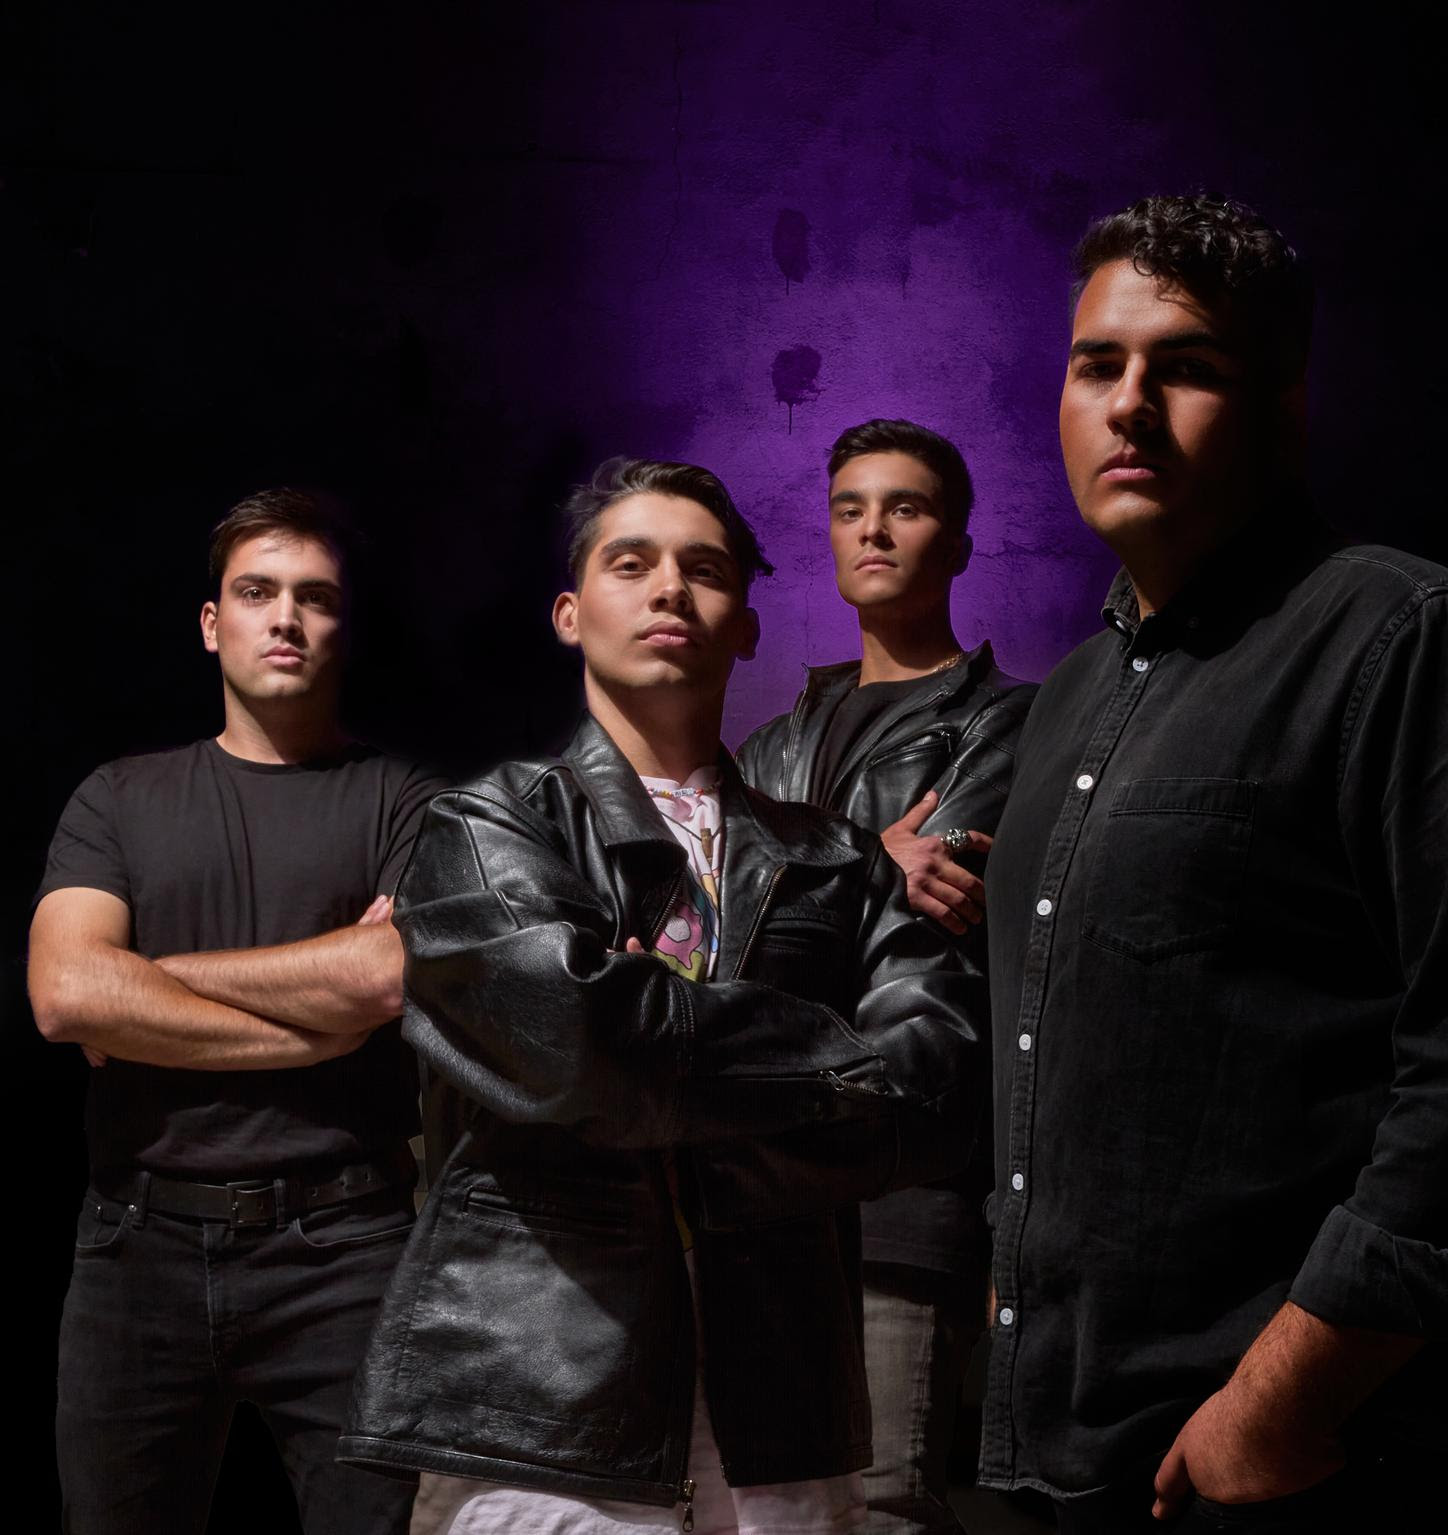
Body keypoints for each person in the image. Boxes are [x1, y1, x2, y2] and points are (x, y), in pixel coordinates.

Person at [976, 194, 1448, 1532]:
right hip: (1087, 1452)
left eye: (1187, 366)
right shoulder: (1067, 698)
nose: (1130, 403)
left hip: (1331, 1457)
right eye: (1098, 363)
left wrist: (1288, 1396)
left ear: (1285, 404)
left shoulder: (1408, 633)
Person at [340, 457, 987, 1535]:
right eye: (631, 563)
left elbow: (940, 1084)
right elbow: (582, 1042)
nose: (670, 588)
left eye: (706, 569)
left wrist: (654, 1042)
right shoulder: (487, 825)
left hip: (785, 1402)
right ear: (570, 613)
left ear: (746, 627)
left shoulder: (838, 859)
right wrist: (824, 1056)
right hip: (543, 1399)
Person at [28, 488, 440, 1535]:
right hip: (138, 1245)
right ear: (213, 623)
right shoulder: (119, 796)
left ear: (343, 625)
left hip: (347, 1243)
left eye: (315, 596)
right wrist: (319, 1024)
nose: (285, 617)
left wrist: (152, 977)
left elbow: (384, 976)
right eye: (257, 592)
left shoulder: (405, 799)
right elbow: (66, 992)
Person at [737, 417, 1035, 1532]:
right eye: (850, 508)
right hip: (760, 1178)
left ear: (956, 543)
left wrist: (797, 867)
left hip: (904, 1183)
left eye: (904, 507)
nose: (873, 529)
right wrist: (869, 855)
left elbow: (935, 903)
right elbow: (721, 918)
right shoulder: (771, 743)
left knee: (880, 1504)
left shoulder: (1009, 723)